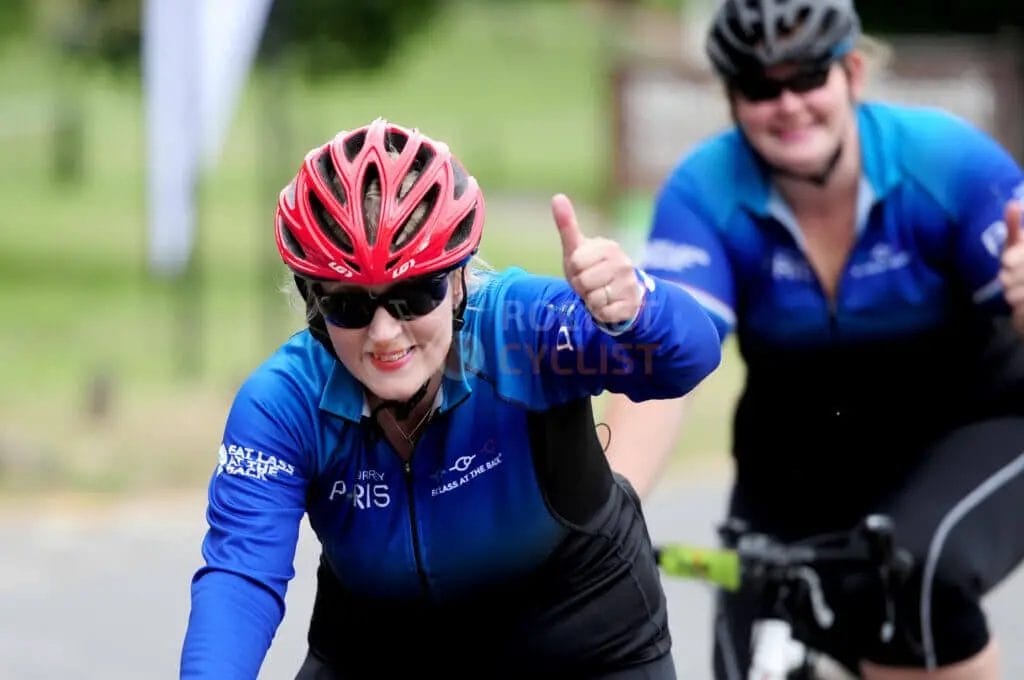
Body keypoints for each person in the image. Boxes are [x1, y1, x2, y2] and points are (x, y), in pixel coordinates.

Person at [178, 118, 721, 679]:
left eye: (413, 295)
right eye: (350, 307)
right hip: (381, 648)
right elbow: (240, 578)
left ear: (458, 280)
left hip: (581, 643)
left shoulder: (521, 331)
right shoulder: (284, 402)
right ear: (313, 303)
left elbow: (690, 358)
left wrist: (638, 310)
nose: (385, 333)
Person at [601, 1, 1024, 678]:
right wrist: (611, 505)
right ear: (733, 98)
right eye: (762, 87)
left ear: (852, 73)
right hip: (796, 464)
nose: (788, 105)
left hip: (967, 432)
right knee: (746, 646)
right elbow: (663, 362)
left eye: (807, 78)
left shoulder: (947, 164)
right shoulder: (705, 192)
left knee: (912, 579)